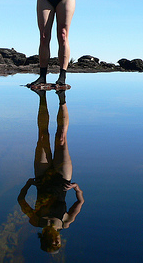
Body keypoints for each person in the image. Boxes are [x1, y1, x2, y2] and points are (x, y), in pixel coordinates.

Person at [17, 89, 84, 253]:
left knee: (42, 136)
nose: (56, 240)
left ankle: (42, 98)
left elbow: (21, 201)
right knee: (61, 138)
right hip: (63, 179)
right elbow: (80, 202)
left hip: (42, 178)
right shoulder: (66, 222)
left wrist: (28, 184)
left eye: (53, 243)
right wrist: (76, 188)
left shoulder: (35, 221)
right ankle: (62, 99)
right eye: (58, 243)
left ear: (45, 240)